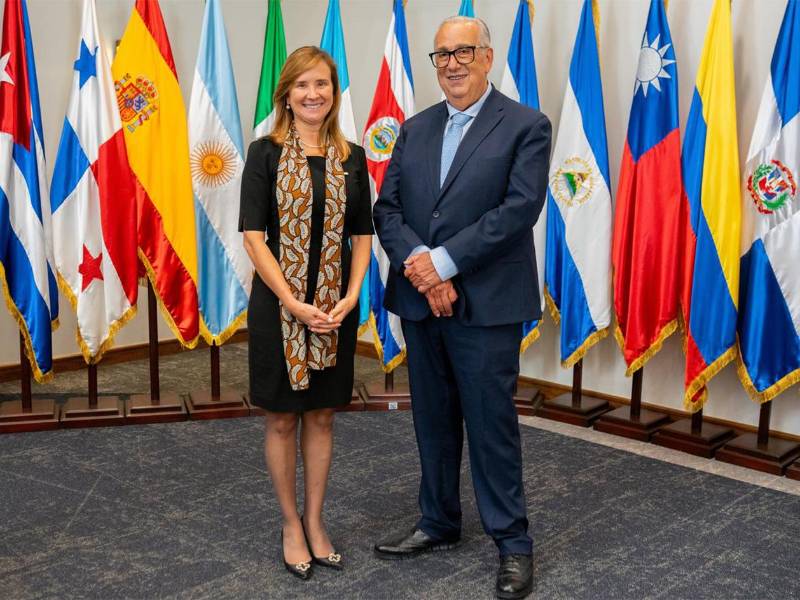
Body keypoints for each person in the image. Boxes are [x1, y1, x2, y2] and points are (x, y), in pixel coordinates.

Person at [372, 16, 551, 600]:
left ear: (488, 57)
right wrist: (423, 267)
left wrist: (444, 264)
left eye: (463, 51)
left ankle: (513, 544)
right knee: (433, 419)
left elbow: (518, 211)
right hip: (422, 304)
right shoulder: (416, 128)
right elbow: (387, 210)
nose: (452, 63)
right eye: (441, 54)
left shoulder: (526, 126)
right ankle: (438, 521)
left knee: (491, 426)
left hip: (488, 305)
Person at [239, 46, 373, 581]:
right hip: (279, 307)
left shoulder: (353, 157)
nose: (313, 94)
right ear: (287, 96)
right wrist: (292, 302)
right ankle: (290, 524)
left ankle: (316, 522)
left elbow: (361, 234)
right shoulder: (263, 153)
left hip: (336, 309)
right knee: (281, 418)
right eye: (302, 85)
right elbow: (253, 237)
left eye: (322, 84)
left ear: (334, 93)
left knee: (320, 414)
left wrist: (351, 294)